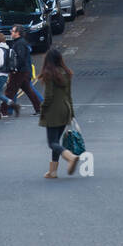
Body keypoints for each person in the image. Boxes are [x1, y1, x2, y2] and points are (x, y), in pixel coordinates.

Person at [37, 48, 81, 178]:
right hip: (65, 110)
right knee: (56, 141)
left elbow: (49, 96)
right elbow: (69, 95)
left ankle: (71, 157)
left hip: (53, 111)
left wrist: (42, 108)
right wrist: (71, 113)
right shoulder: (67, 73)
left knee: (52, 143)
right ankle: (53, 171)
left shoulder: (49, 74)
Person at [0, 25, 43, 117]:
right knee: (29, 91)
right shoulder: (19, 42)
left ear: (18, 33)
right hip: (24, 71)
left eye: (13, 31)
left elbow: (21, 58)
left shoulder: (20, 43)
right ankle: (40, 108)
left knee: (10, 91)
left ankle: (3, 111)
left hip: (19, 72)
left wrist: (14, 69)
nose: (11, 32)